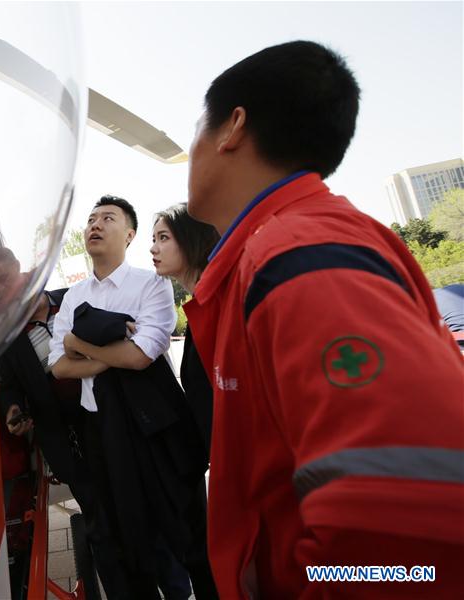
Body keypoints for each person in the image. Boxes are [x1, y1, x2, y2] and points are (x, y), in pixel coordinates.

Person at [183, 40, 464, 598]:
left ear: (232, 127)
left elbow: (413, 526)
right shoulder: (283, 246)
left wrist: (329, 582)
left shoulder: (296, 247)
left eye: (198, 127)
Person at [50, 196, 206, 600]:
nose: (95, 225)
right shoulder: (72, 296)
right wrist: (105, 352)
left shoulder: (151, 283)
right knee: (123, 533)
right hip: (100, 430)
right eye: (90, 219)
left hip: (151, 429)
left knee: (174, 527)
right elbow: (58, 366)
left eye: (107, 218)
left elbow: (141, 355)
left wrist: (78, 343)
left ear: (129, 234)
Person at [0, 247, 105, 600]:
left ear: (22, 271)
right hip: (63, 439)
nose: (0, 289)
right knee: (95, 511)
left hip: (106, 425)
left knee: (126, 496)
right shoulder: (7, 336)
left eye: (3, 278)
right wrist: (12, 410)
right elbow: (11, 385)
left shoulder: (74, 300)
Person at [149, 203, 220, 599]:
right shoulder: (198, 307)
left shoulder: (216, 303)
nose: (154, 248)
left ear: (191, 241)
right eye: (153, 240)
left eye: (163, 238)